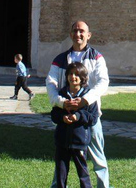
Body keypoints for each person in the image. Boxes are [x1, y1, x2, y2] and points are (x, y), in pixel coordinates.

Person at [46, 21, 110, 188]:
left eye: (82, 31)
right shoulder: (60, 59)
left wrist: (85, 100)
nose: (78, 34)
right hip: (66, 114)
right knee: (61, 158)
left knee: (98, 157)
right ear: (70, 34)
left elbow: (103, 82)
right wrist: (61, 102)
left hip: (90, 116)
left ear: (88, 35)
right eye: (75, 31)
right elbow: (51, 82)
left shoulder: (96, 57)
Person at [51, 62, 98, 188]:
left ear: (83, 78)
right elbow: (54, 114)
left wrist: (78, 116)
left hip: (79, 140)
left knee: (83, 172)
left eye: (77, 74)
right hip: (62, 140)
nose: (73, 77)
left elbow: (93, 117)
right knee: (61, 172)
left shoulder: (88, 96)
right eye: (70, 74)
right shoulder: (62, 94)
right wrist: (63, 118)